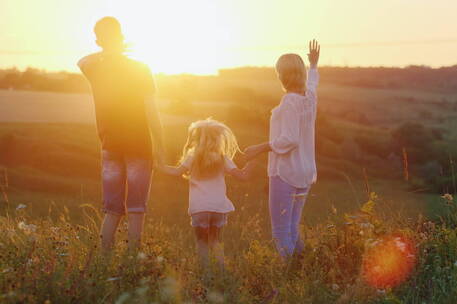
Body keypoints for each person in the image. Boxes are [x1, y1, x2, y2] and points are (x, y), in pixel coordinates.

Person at [77, 17, 165, 252]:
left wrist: (106, 50)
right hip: (139, 145)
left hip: (110, 145)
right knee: (136, 209)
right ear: (122, 35)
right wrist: (161, 145)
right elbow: (152, 112)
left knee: (112, 210)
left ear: (98, 39)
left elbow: (81, 60)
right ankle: (132, 263)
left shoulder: (94, 67)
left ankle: (104, 264)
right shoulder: (141, 68)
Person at [244, 40, 320, 259]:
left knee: (280, 232)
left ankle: (288, 276)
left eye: (279, 72)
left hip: (285, 173)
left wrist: (260, 148)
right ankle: (303, 271)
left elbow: (289, 139)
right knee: (293, 229)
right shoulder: (309, 99)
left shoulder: (290, 102)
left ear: (283, 75)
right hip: (304, 173)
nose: (277, 76)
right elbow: (314, 84)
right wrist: (313, 66)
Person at [159, 119, 254, 268]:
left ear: (198, 138)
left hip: (200, 207)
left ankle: (205, 273)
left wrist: (159, 165)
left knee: (201, 241)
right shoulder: (223, 158)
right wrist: (253, 161)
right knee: (215, 240)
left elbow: (176, 172)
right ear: (218, 138)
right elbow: (242, 176)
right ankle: (222, 271)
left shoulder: (193, 156)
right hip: (218, 207)